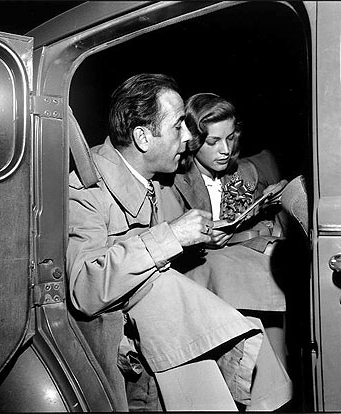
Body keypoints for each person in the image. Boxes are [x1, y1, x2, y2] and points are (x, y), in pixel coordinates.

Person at [66, 74, 292, 411]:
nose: (189, 138)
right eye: (177, 127)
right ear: (143, 137)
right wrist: (171, 235)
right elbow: (84, 288)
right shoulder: (86, 190)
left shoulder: (152, 178)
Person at [170, 92, 289, 366]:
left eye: (231, 138)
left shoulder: (242, 171)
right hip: (198, 270)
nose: (225, 149)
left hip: (240, 259)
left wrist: (274, 195)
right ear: (193, 140)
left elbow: (265, 188)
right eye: (213, 142)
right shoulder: (175, 181)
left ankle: (278, 369)